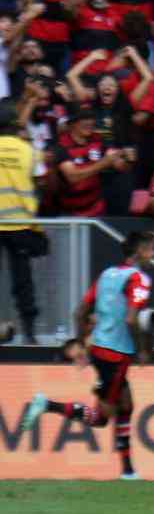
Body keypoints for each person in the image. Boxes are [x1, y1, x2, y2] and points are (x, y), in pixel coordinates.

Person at [20, 230, 154, 480]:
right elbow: (131, 319)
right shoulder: (139, 279)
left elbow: (79, 312)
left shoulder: (107, 274)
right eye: (150, 249)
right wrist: (143, 350)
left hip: (100, 350)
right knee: (102, 418)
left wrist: (83, 346)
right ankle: (46, 404)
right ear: (139, 251)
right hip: (116, 354)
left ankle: (128, 470)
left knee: (126, 405)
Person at [0, 99, 39, 342]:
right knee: (23, 282)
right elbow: (41, 180)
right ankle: (30, 333)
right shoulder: (29, 150)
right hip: (20, 225)